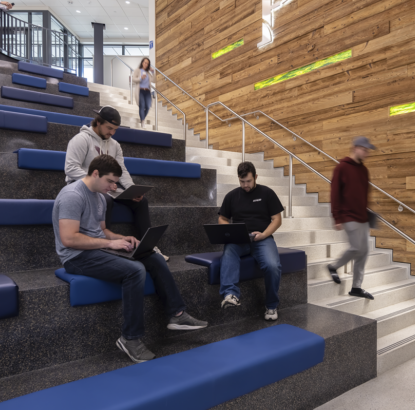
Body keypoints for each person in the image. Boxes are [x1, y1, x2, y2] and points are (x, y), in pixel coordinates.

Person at [54, 154, 208, 363]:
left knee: (152, 257)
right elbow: (69, 238)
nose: (113, 187)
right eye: (110, 181)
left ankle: (177, 314)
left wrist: (122, 238)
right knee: (135, 270)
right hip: (76, 257)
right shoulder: (72, 195)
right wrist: (110, 244)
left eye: (115, 183)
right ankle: (130, 338)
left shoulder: (99, 197)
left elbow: (102, 231)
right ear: (95, 173)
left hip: (97, 249)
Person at [64, 105, 168, 261]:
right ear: (98, 122)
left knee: (141, 201)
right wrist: (97, 182)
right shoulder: (81, 140)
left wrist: (132, 189)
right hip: (83, 188)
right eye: (109, 128)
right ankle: (107, 246)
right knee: (104, 199)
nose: (112, 132)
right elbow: (70, 168)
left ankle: (148, 247)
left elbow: (122, 170)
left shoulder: (115, 145)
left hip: (105, 187)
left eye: (115, 130)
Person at [217, 161, 284, 321]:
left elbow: (277, 219)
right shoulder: (232, 196)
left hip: (262, 238)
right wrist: (232, 232)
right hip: (240, 239)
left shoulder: (267, 193)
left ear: (255, 177)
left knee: (273, 265)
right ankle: (230, 294)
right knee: (228, 251)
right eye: (242, 182)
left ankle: (271, 306)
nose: (245, 185)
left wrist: (263, 234)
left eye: (248, 181)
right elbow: (222, 218)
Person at [327, 136, 376, 300]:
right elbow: (335, 193)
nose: (367, 153)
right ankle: (334, 266)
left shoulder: (364, 170)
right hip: (347, 215)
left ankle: (356, 287)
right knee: (356, 248)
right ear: (355, 148)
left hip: (362, 217)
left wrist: (368, 216)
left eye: (368, 150)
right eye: (364, 149)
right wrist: (336, 217)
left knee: (364, 252)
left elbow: (364, 195)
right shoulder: (341, 167)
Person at [131, 57, 154, 129]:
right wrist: (141, 78)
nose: (146, 64)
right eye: (145, 62)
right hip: (140, 90)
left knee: (148, 106)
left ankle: (142, 118)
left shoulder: (148, 73)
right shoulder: (137, 70)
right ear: (142, 63)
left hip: (147, 91)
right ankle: (143, 121)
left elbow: (154, 80)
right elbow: (133, 79)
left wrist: (153, 72)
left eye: (147, 63)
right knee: (142, 105)